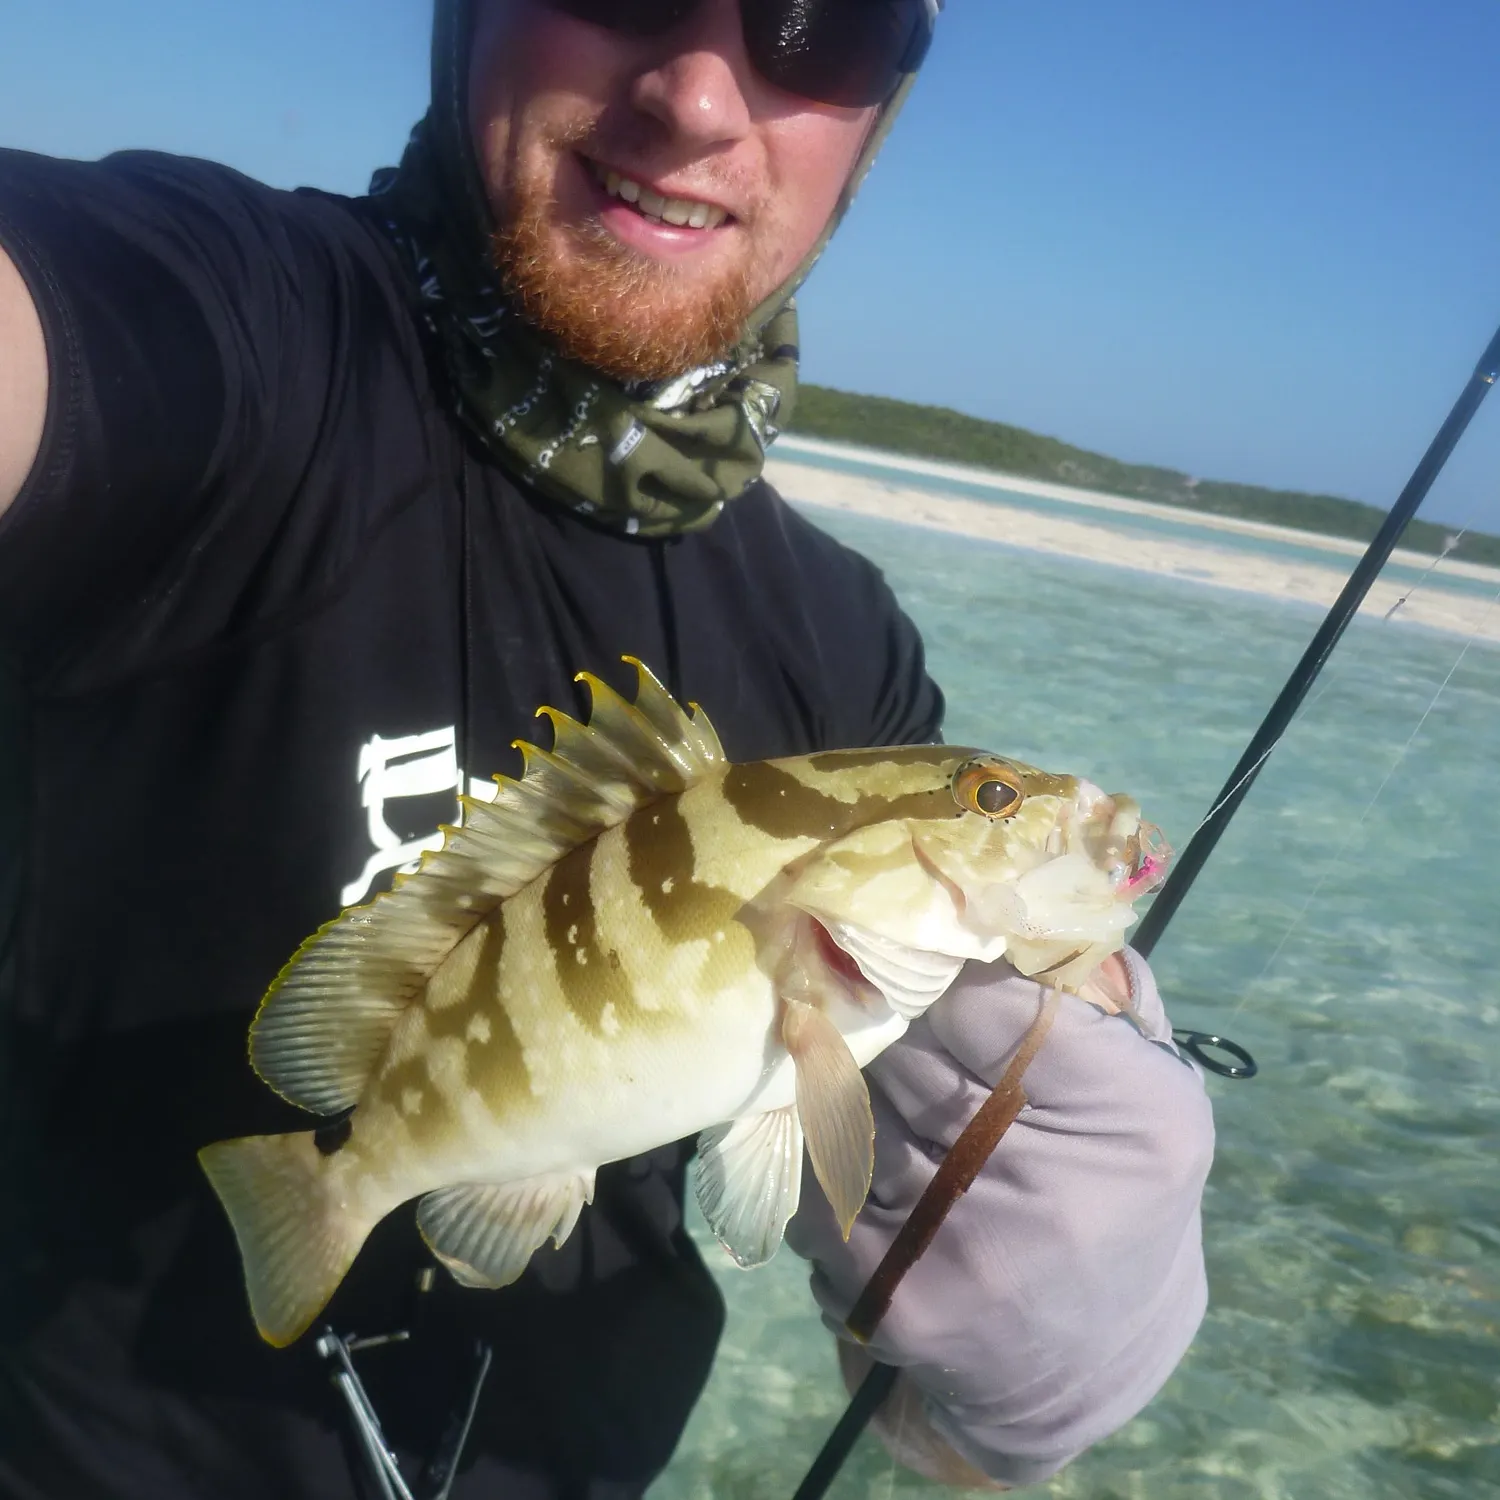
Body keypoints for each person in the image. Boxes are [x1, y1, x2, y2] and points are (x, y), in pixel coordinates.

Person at [0, 1, 1215, 1495]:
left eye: (815, 27)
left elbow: (918, 1421)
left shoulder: (848, 652)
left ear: (877, 122)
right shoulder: (236, 333)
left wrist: (1050, 1319)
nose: (700, 94)